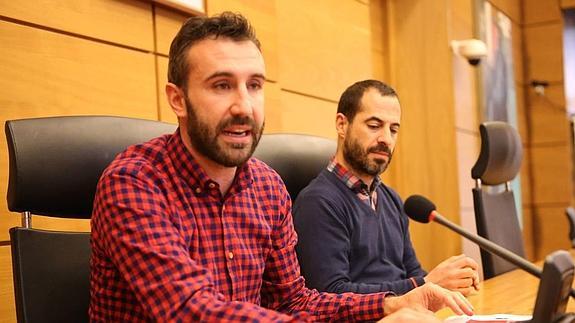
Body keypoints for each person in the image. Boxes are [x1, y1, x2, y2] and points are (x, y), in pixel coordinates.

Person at [89, 13, 473, 322]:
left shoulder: (267, 186)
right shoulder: (134, 182)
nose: (244, 106)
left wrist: (394, 303)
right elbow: (192, 310)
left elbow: (295, 302)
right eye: (222, 86)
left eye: (254, 85)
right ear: (178, 99)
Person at [293, 80, 481, 296]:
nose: (386, 139)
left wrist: (450, 285)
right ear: (342, 125)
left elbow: (412, 272)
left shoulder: (392, 199)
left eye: (393, 130)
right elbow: (331, 294)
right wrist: (428, 284)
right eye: (374, 126)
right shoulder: (318, 202)